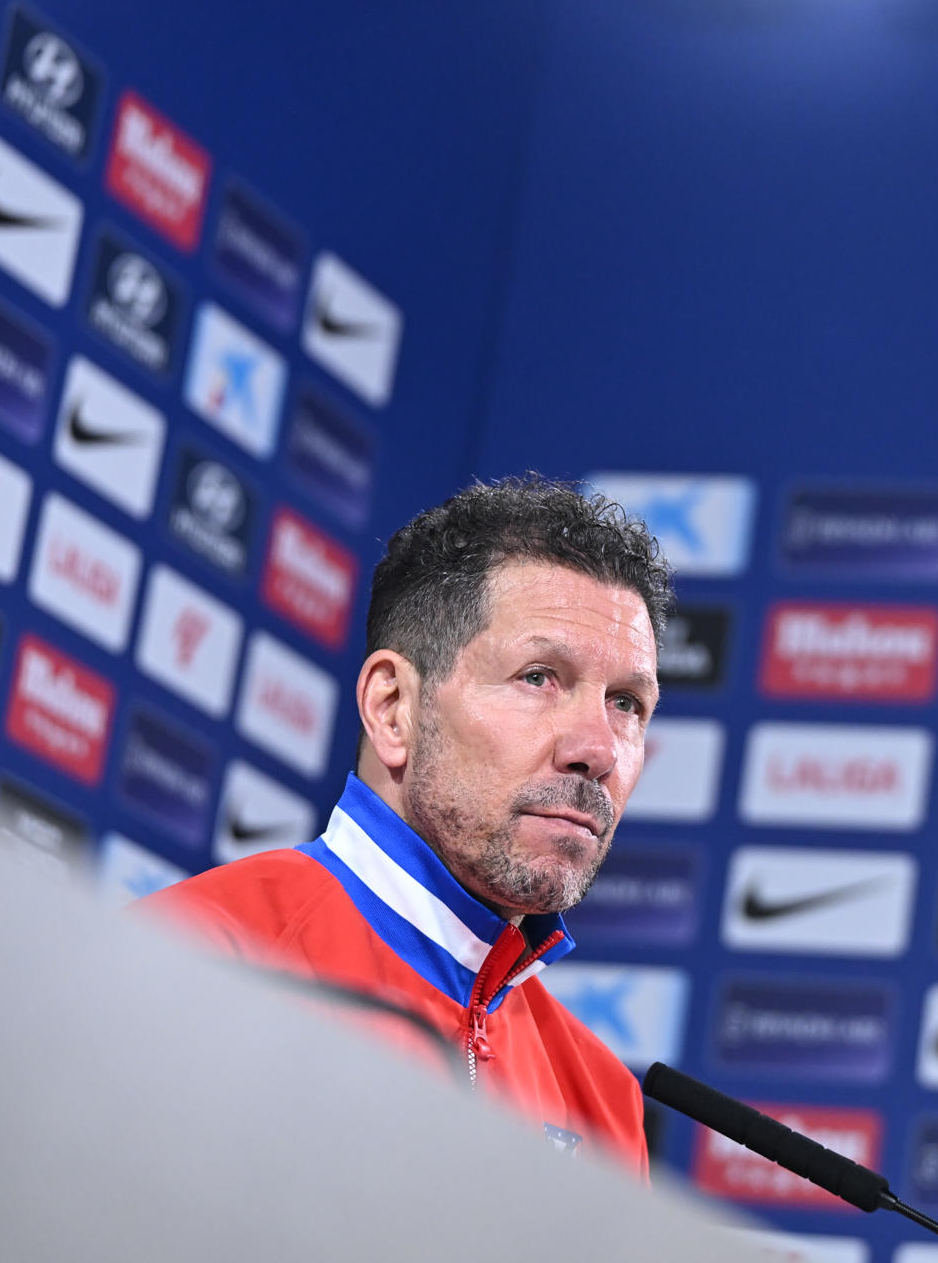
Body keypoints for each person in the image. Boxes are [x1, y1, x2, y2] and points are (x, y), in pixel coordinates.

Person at [145, 476, 672, 1173]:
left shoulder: (605, 1101)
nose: (598, 749)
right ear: (393, 709)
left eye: (627, 703)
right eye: (539, 677)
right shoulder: (190, 961)